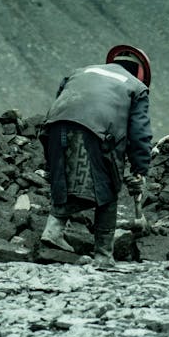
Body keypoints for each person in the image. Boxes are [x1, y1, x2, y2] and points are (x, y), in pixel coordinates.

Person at [38, 44, 152, 264]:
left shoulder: (81, 71)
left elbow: (63, 101)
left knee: (61, 180)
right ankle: (103, 255)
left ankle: (53, 231)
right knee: (107, 189)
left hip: (53, 128)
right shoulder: (136, 87)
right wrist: (140, 169)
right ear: (141, 72)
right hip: (94, 132)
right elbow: (139, 133)